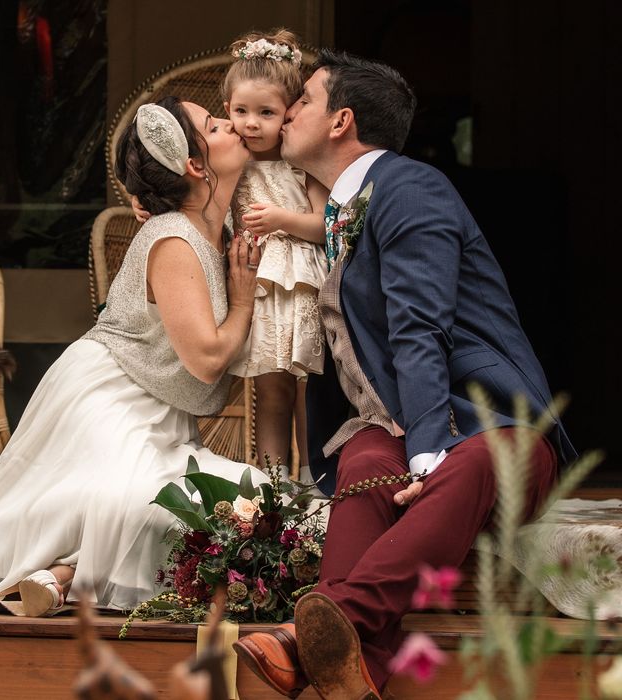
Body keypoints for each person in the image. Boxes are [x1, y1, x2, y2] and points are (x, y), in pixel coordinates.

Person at [233, 50, 576, 698]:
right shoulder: (340, 208)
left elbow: (421, 328)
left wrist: (426, 456)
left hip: (498, 426)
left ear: (341, 120)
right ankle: (353, 671)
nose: (288, 111)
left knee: (472, 464)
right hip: (392, 420)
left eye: (302, 99)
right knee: (363, 460)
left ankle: (307, 639)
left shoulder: (409, 187)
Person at [0, 96, 269, 616]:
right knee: (130, 503)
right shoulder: (176, 238)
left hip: (162, 411)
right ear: (195, 165)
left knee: (224, 509)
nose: (233, 124)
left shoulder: (215, 229)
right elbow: (206, 360)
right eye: (215, 123)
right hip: (113, 395)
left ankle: (61, 574)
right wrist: (244, 298)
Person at [134, 30, 329, 489]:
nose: (250, 124)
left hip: (299, 284)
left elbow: (324, 224)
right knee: (270, 388)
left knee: (309, 388)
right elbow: (195, 200)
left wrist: (282, 217)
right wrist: (144, 204)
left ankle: (314, 477)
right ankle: (272, 484)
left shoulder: (302, 161)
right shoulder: (231, 162)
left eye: (266, 113)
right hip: (254, 282)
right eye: (240, 112)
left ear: (289, 113)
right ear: (227, 110)